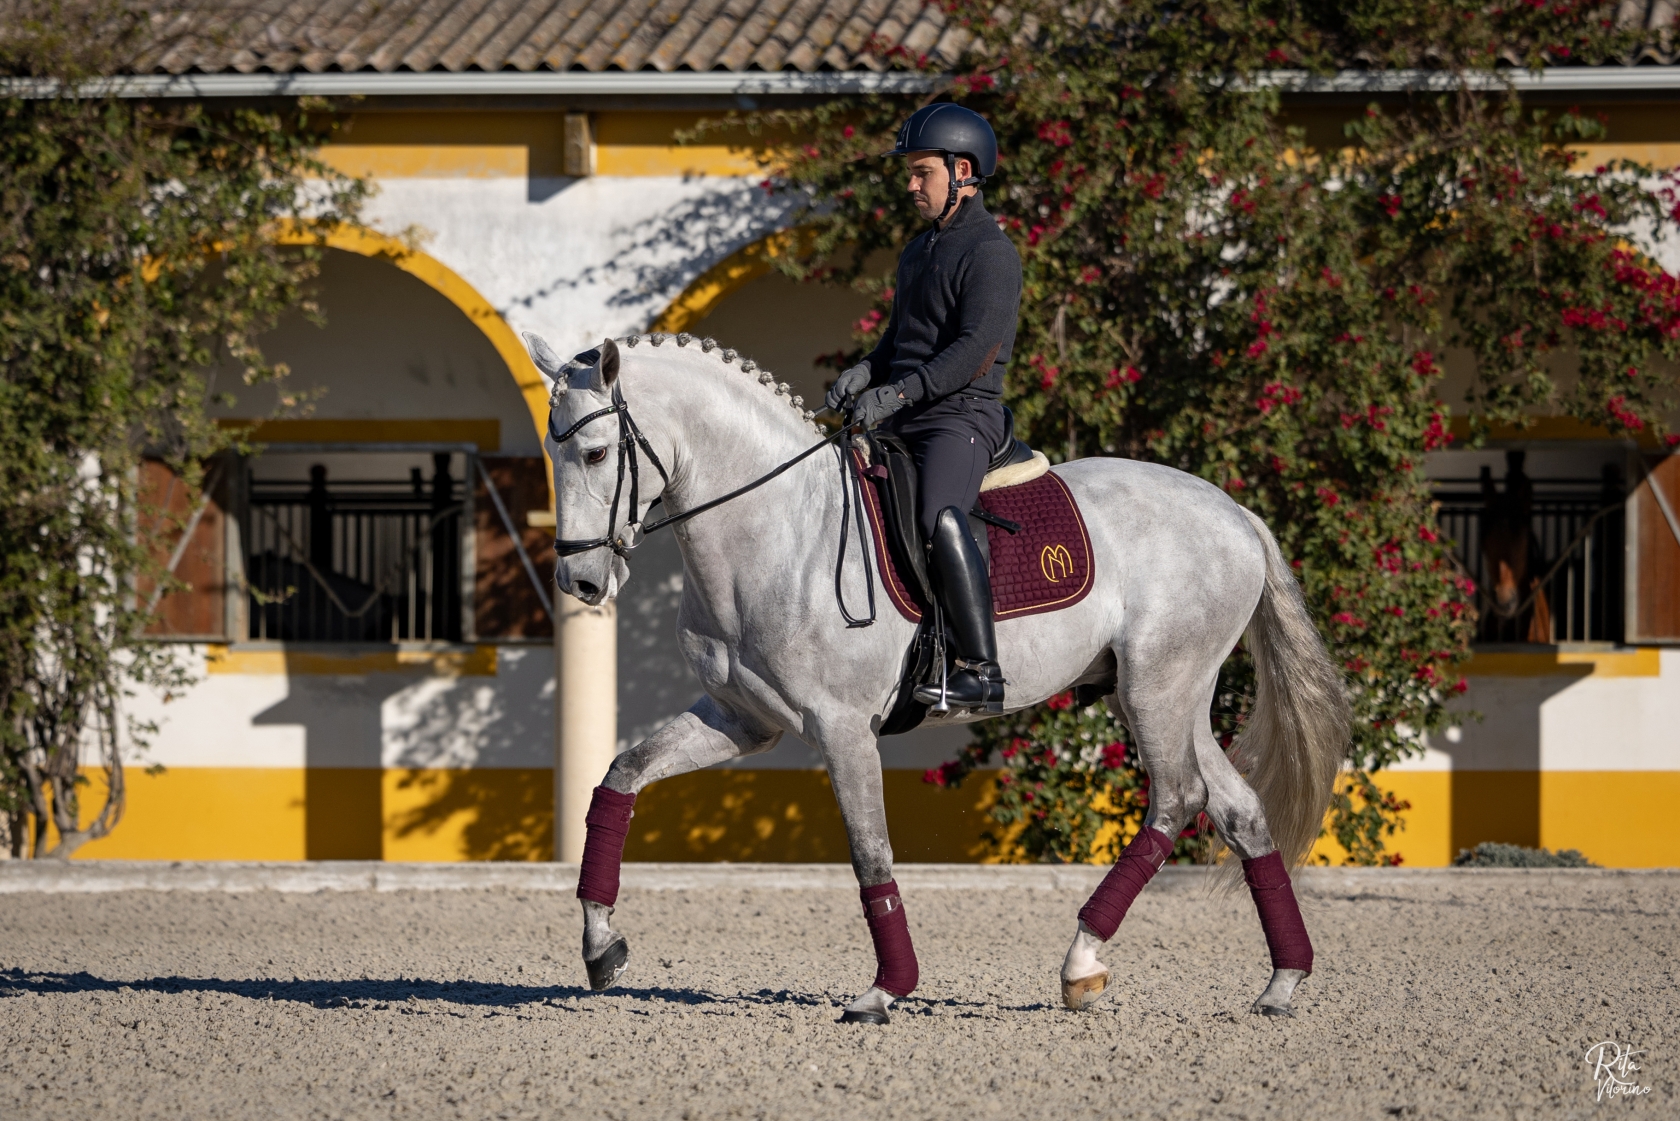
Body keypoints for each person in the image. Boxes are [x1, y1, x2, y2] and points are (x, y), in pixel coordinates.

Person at [824, 103, 1022, 714]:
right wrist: (867, 371)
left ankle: (982, 669)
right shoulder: (918, 252)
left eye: (922, 173)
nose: (911, 186)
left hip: (961, 415)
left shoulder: (991, 253)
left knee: (940, 517)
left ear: (963, 172)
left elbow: (973, 352)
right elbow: (899, 342)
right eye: (910, 174)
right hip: (904, 412)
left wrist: (901, 391)